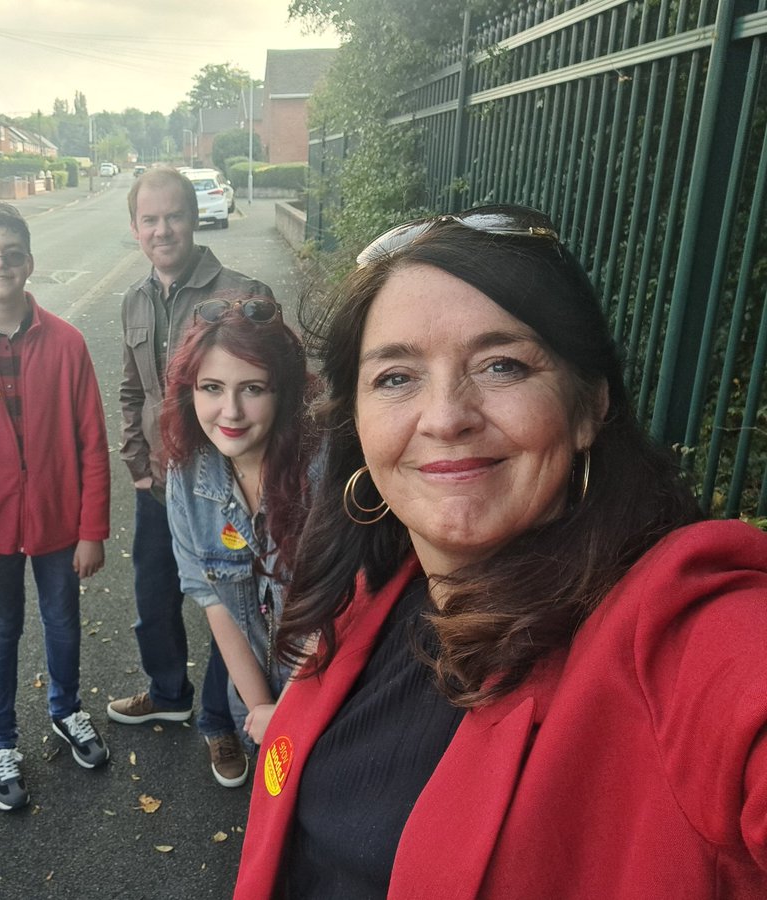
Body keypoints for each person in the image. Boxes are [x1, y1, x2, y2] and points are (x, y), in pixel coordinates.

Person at [236, 205, 767, 898]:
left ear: (589, 408)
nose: (447, 415)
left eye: (502, 366)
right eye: (396, 377)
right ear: (357, 424)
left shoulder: (679, 634)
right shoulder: (373, 589)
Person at [0, 202, 111, 813]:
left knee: (62, 620)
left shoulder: (66, 343)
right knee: (0, 629)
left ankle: (66, 709)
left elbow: (91, 440)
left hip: (59, 520)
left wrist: (92, 530)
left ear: (29, 262)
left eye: (11, 253)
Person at [108, 166, 276, 789]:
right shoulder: (134, 300)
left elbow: (271, 387)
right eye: (149, 219)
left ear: (194, 216)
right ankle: (167, 690)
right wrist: (136, 462)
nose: (162, 229)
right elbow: (132, 390)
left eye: (173, 215)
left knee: (227, 602)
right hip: (161, 483)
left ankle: (218, 720)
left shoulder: (242, 291)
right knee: (156, 601)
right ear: (135, 229)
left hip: (227, 487)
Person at [159, 295, 320, 748]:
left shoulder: (326, 472)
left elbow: (342, 612)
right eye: (211, 387)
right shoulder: (186, 474)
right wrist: (260, 710)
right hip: (258, 703)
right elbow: (214, 602)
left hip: (331, 699)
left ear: (283, 393)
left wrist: (288, 715)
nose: (229, 411)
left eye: (252, 388)